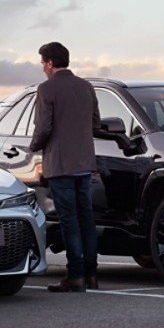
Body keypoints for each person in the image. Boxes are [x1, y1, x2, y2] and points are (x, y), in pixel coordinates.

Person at [29, 41, 101, 293]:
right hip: (84, 164)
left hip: (60, 165)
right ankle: (91, 275)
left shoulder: (47, 89)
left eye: (42, 63)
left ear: (49, 63)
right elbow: (95, 124)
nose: (43, 68)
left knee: (69, 221)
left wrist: (33, 147)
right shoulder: (86, 86)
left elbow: (44, 127)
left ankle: (76, 276)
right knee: (86, 219)